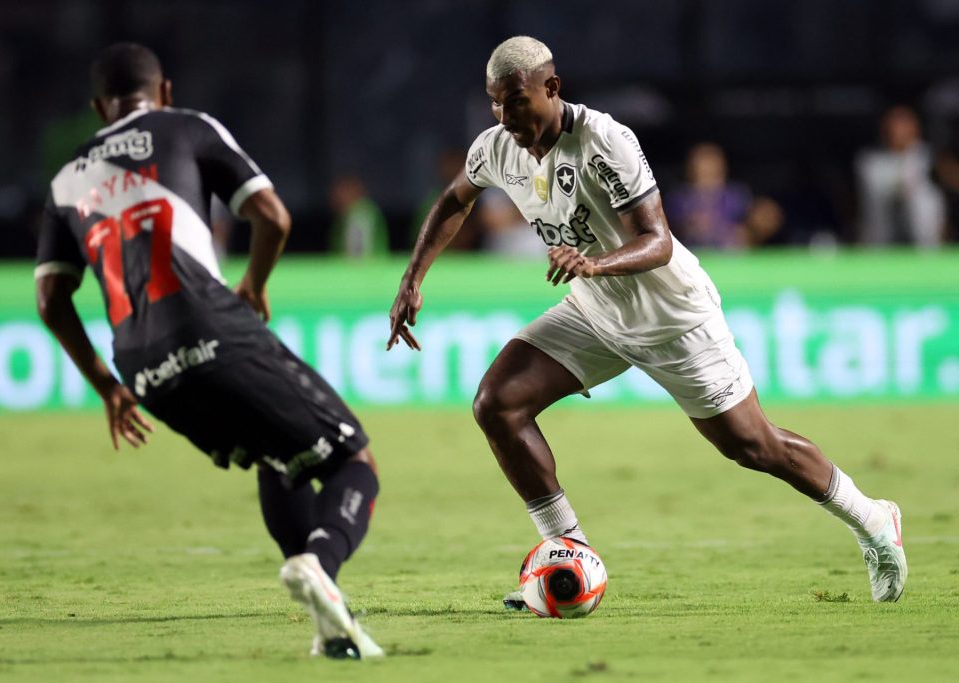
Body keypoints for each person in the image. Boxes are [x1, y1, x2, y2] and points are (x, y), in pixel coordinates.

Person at [387, 36, 907, 605]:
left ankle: (873, 519)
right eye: (495, 103)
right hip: (594, 311)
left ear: (551, 87)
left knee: (753, 446)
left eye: (515, 101)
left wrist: (594, 263)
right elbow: (455, 200)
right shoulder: (496, 148)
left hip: (671, 317)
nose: (504, 116)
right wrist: (413, 278)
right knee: (497, 404)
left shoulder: (604, 141)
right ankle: (569, 552)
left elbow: (657, 240)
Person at [35, 43, 382, 659]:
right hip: (209, 327)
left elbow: (50, 299)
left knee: (280, 455)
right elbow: (272, 217)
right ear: (164, 91)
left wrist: (106, 385)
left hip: (141, 367)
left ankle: (331, 620)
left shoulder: (66, 180)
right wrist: (254, 284)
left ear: (99, 108)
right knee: (353, 460)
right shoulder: (187, 127)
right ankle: (320, 563)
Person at [855, 105, 946, 247]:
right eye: (895, 125)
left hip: (922, 237)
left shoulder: (927, 155)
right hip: (882, 235)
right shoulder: (870, 161)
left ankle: (929, 250)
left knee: (925, 199)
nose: (900, 131)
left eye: (905, 124)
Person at [665, 142, 752, 249]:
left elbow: (747, 228)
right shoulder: (678, 198)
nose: (707, 169)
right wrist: (690, 225)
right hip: (692, 251)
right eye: (702, 165)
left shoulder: (736, 195)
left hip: (730, 253)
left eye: (711, 164)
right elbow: (671, 230)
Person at [329, 175, 389, 258]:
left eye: (341, 192)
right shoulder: (349, 214)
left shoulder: (361, 213)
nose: (334, 198)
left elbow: (358, 255)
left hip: (368, 264)